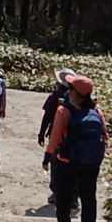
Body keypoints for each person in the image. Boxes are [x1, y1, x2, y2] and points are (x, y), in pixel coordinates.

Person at [42, 73, 107, 222]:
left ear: (73, 92)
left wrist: (48, 156)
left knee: (63, 194)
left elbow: (55, 137)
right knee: (89, 197)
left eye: (70, 88)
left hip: (67, 161)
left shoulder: (64, 111)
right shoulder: (96, 111)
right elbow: (104, 136)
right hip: (91, 163)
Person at [37, 68, 75, 206]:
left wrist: (41, 134)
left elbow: (47, 117)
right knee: (73, 166)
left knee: (56, 165)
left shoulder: (54, 97)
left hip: (57, 135)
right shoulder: (78, 98)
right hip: (75, 137)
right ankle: (74, 197)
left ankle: (56, 193)